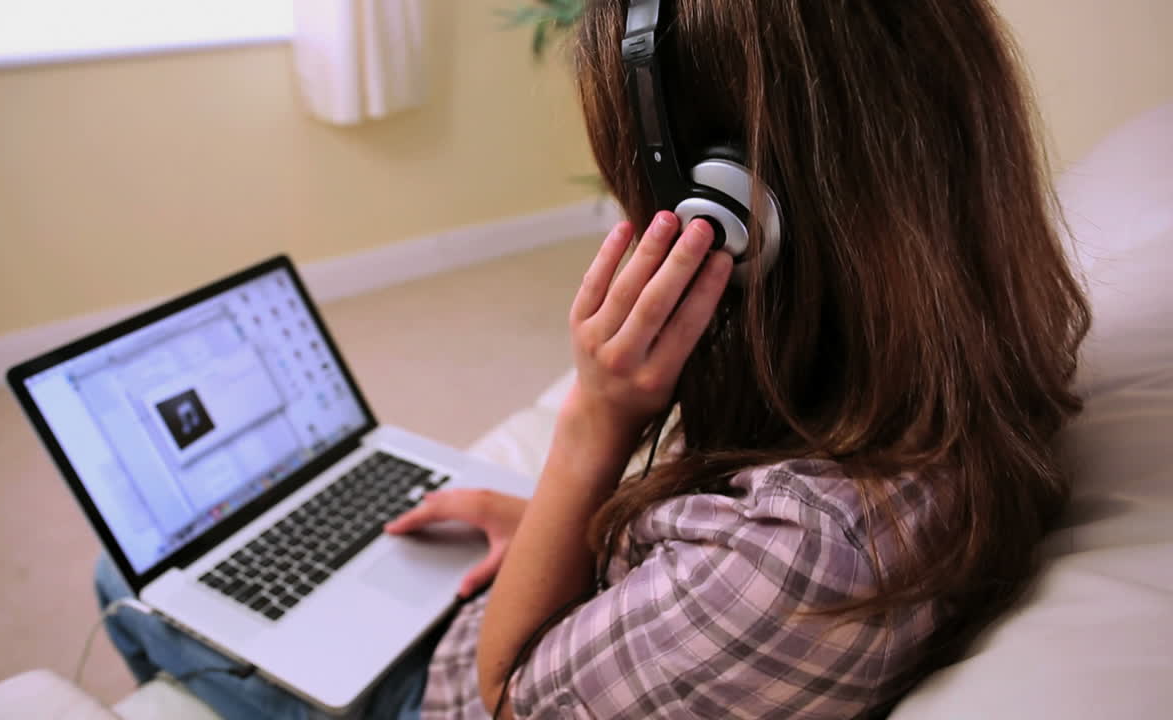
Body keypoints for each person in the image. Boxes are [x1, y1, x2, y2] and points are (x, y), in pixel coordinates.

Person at [95, 0, 1090, 717]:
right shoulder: (962, 367)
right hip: (584, 599)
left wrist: (594, 420)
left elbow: (504, 695)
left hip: (438, 687)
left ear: (735, 223)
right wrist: (552, 527)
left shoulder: (800, 564)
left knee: (129, 577)